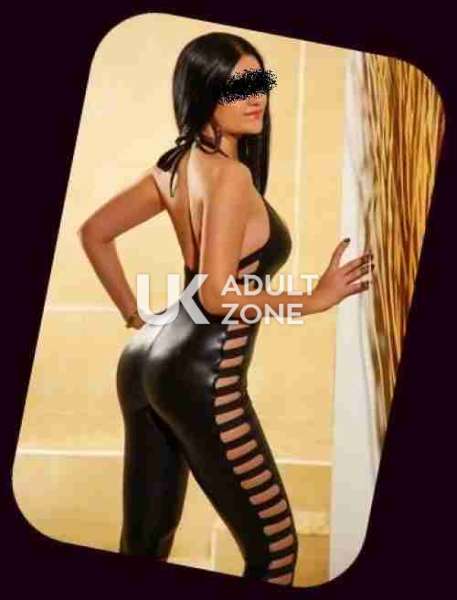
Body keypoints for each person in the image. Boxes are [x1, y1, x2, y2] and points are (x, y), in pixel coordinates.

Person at [78, 31, 373, 587]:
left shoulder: (172, 166)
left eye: (260, 82)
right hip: (200, 376)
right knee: (276, 552)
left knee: (143, 546)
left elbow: (94, 234)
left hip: (145, 359)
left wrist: (135, 316)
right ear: (203, 91)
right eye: (237, 86)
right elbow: (216, 296)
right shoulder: (231, 177)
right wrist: (312, 301)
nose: (256, 96)